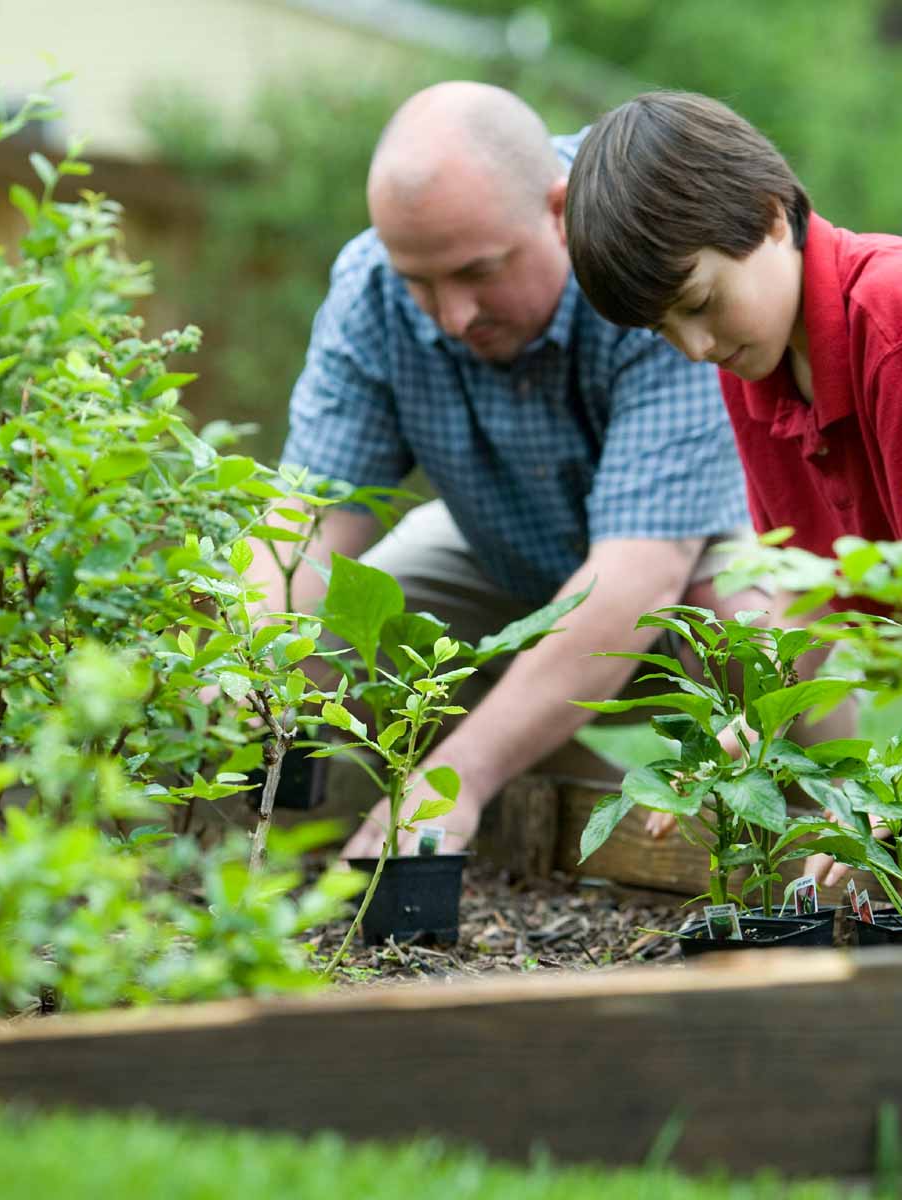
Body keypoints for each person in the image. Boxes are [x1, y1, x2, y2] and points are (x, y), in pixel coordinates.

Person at [247, 82, 756, 858]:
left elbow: (637, 578)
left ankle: (808, 842)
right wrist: (242, 664)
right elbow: (304, 526)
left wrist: (458, 777)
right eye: (422, 281)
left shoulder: (645, 250)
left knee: (757, 624)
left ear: (558, 210)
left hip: (688, 558)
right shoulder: (372, 290)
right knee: (353, 629)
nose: (451, 315)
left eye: (478, 273)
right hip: (504, 554)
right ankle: (584, 819)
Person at [563, 89, 902, 855]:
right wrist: (734, 742)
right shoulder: (753, 368)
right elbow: (810, 587)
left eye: (699, 302)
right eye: (663, 330)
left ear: (769, 215)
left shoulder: (898, 312)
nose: (693, 346)